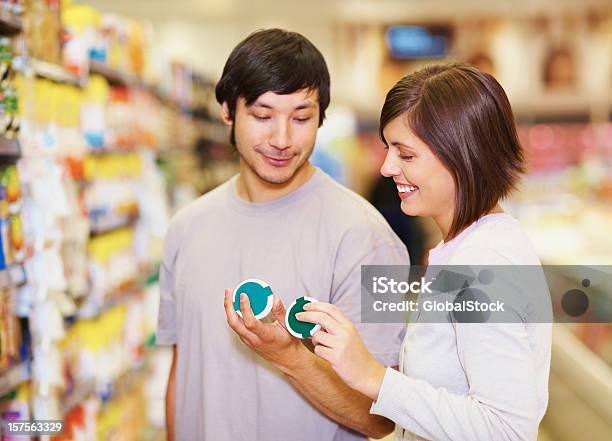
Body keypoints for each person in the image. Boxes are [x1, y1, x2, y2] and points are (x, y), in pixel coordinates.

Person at [156, 28, 409, 441]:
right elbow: (182, 374)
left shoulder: (367, 239)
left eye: (301, 117)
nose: (281, 139)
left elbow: (380, 418)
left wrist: (288, 356)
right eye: (262, 115)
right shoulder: (186, 228)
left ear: (321, 118)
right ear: (227, 111)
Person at [296, 64, 553, 441]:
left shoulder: (484, 263)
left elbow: (507, 430)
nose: (386, 167)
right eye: (389, 150)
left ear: (463, 155)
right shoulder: (466, 249)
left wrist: (373, 377)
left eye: (406, 154)